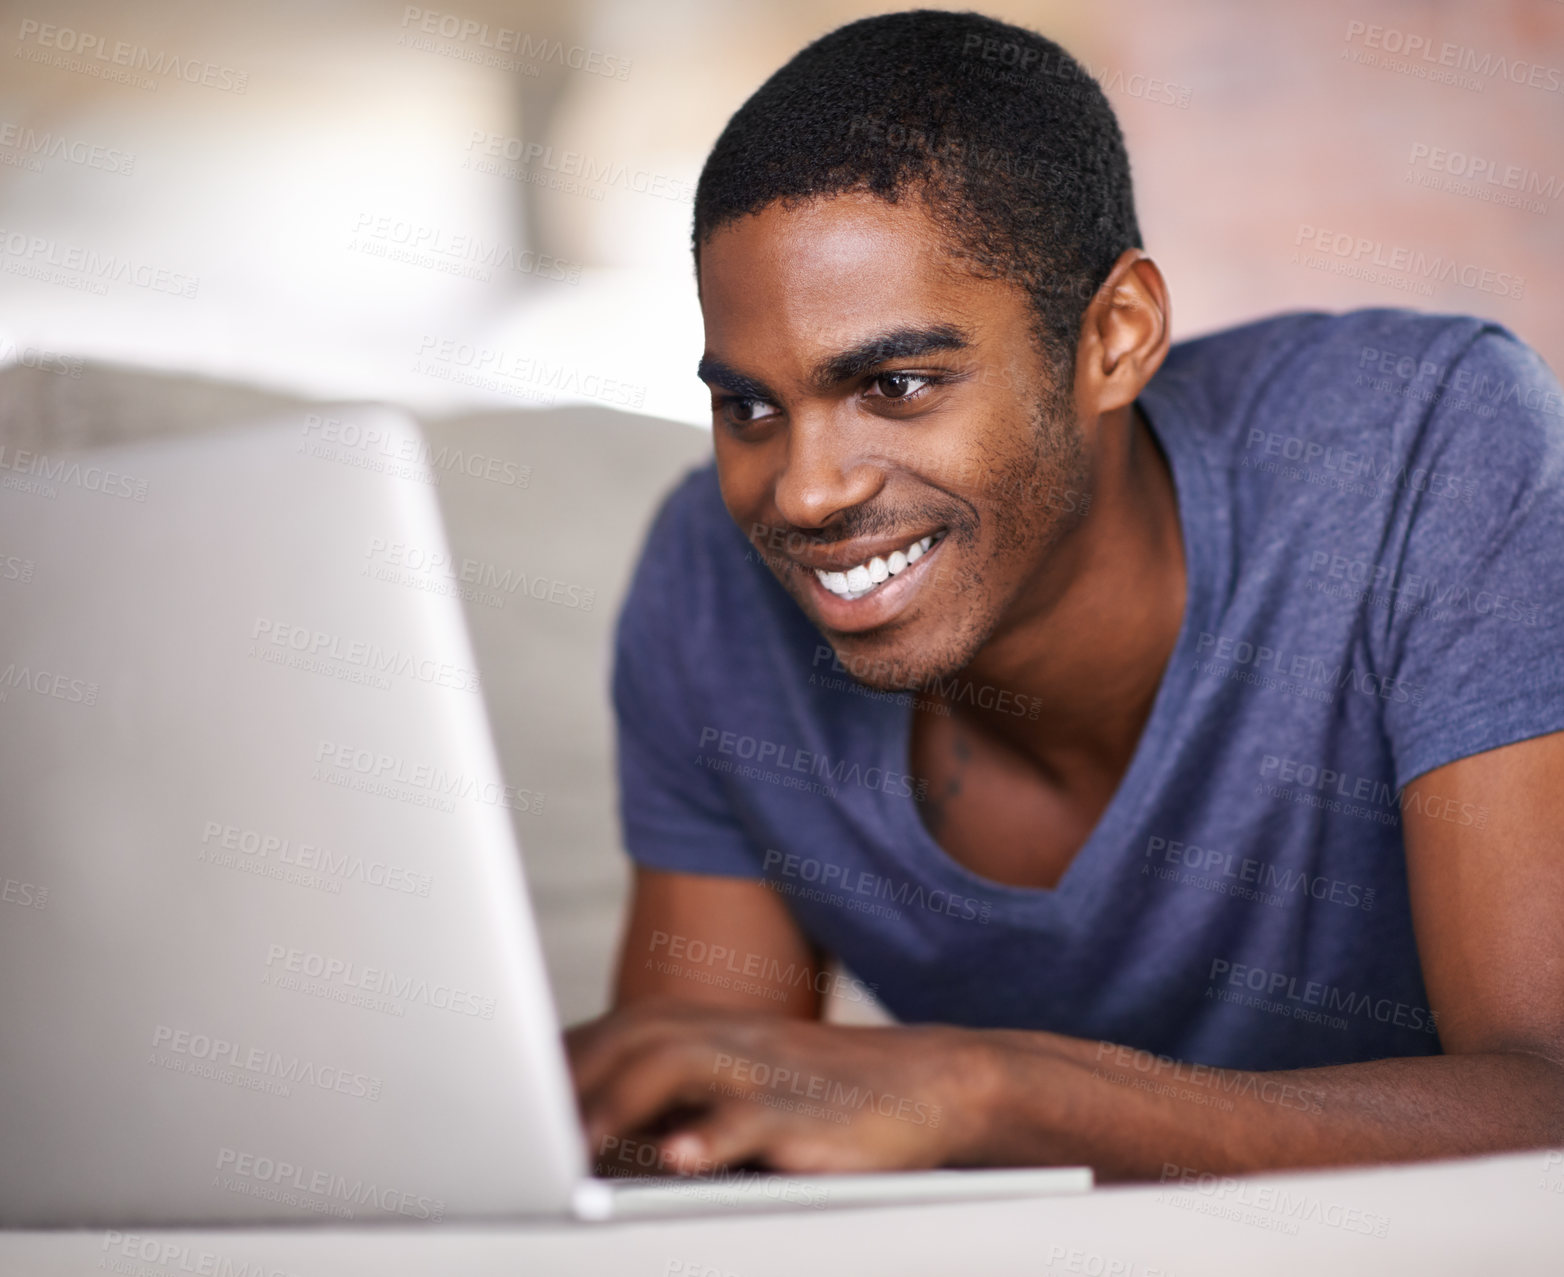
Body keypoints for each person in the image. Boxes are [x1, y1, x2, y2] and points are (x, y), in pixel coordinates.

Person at [566, 9, 1564, 1181]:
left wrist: (989, 1091)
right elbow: (683, 1142)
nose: (805, 490)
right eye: (749, 406)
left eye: (894, 382)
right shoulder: (705, 575)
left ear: (1115, 337)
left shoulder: (1418, 444)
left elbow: (1546, 1096)